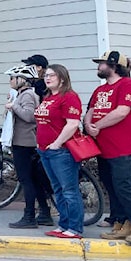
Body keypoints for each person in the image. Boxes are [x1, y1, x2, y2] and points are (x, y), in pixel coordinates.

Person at [85, 50, 131, 246]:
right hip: (104, 149)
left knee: (125, 186)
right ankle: (121, 225)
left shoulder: (129, 85)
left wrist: (98, 126)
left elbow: (122, 112)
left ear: (114, 65)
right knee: (112, 187)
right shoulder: (100, 90)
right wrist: (88, 125)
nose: (98, 66)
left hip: (125, 148)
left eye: (102, 63)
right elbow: (91, 110)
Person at [34, 63, 84, 239]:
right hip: (45, 151)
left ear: (62, 78)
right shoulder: (48, 98)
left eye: (52, 75)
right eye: (46, 75)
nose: (47, 78)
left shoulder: (69, 97)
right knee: (57, 189)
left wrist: (57, 143)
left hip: (62, 151)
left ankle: (75, 227)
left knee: (69, 189)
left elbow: (72, 124)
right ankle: (63, 224)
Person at [3, 65, 54, 228]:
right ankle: (44, 213)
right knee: (34, 180)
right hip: (22, 141)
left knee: (27, 180)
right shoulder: (21, 94)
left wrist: (13, 106)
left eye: (12, 78)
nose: (10, 81)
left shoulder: (27, 95)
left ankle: (29, 216)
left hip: (25, 143)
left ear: (22, 80)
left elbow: (30, 116)